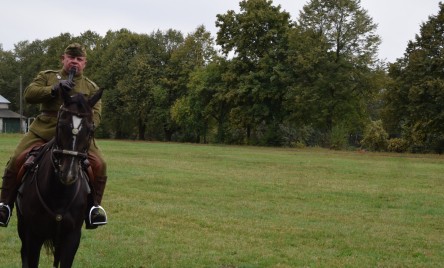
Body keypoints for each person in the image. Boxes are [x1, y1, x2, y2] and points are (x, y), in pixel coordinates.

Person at [0, 43, 107, 229]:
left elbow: (95, 114)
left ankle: (94, 208)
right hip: (43, 130)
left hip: (74, 135)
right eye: (71, 58)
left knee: (100, 164)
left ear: (85, 63)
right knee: (17, 159)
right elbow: (29, 95)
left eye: (79, 59)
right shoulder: (47, 76)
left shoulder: (90, 87)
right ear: (63, 59)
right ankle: (5, 205)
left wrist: (84, 129)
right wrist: (54, 89)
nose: (75, 62)